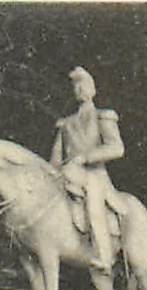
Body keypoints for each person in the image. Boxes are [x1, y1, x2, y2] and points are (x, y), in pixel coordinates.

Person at [51, 66, 124, 270]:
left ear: (93, 89)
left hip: (94, 174)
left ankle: (104, 254)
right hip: (68, 174)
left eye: (83, 85)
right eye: (75, 86)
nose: (79, 89)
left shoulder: (103, 117)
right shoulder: (65, 124)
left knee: (93, 195)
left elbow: (117, 148)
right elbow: (55, 159)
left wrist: (85, 157)